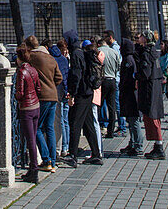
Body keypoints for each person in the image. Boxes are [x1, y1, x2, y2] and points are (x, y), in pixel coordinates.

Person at [63, 30, 102, 165]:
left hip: (81, 93)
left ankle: (72, 155)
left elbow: (76, 76)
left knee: (75, 123)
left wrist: (71, 93)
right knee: (88, 124)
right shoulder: (82, 52)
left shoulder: (75, 54)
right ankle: (96, 154)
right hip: (88, 91)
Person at [25, 35, 62, 172]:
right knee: (50, 128)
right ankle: (53, 160)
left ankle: (46, 159)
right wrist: (52, 85)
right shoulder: (50, 57)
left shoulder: (32, 57)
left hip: (42, 96)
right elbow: (59, 77)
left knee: (37, 128)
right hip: (53, 95)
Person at [135, 32, 165, 160]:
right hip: (155, 86)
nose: (139, 38)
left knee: (152, 115)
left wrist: (136, 76)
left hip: (149, 88)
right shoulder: (154, 52)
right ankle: (157, 145)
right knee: (154, 115)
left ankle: (159, 146)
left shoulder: (147, 53)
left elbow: (145, 72)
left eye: (141, 36)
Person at [15, 43, 41, 184]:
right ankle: (32, 168)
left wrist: (15, 97)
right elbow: (38, 87)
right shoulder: (33, 70)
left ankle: (34, 170)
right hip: (36, 106)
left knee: (30, 140)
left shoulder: (21, 72)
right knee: (34, 137)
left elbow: (20, 93)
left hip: (27, 108)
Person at [118, 38, 143, 157]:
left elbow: (128, 78)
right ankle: (133, 142)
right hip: (129, 93)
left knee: (134, 120)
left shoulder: (128, 60)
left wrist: (122, 86)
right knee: (131, 119)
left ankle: (138, 144)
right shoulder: (128, 59)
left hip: (131, 94)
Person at [49, 39, 70, 158]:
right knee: (64, 119)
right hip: (64, 91)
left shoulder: (52, 60)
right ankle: (65, 146)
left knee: (58, 120)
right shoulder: (64, 59)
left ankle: (59, 147)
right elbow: (66, 75)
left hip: (57, 91)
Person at [98, 33, 120, 137]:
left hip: (103, 80)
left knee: (99, 105)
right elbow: (118, 66)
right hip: (112, 80)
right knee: (112, 107)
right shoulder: (114, 52)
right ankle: (111, 131)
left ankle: (100, 126)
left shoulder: (99, 52)